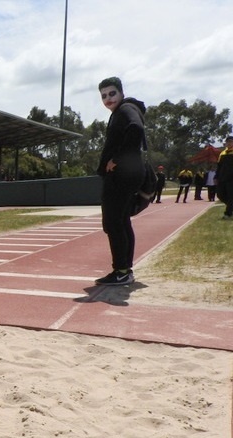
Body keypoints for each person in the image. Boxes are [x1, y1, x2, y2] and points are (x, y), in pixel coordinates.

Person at [95, 77, 145, 286]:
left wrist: (116, 160)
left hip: (122, 176)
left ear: (121, 92)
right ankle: (125, 270)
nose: (108, 99)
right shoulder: (121, 112)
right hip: (126, 175)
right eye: (104, 96)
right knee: (121, 221)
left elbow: (136, 130)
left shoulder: (126, 110)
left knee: (114, 222)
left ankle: (122, 271)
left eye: (112, 93)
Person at [215, 135, 233, 220]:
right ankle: (231, 207)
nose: (229, 143)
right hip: (222, 178)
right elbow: (219, 166)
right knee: (220, 195)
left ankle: (228, 213)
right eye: (228, 142)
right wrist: (216, 177)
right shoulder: (222, 153)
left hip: (231, 179)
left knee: (230, 196)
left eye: (231, 141)